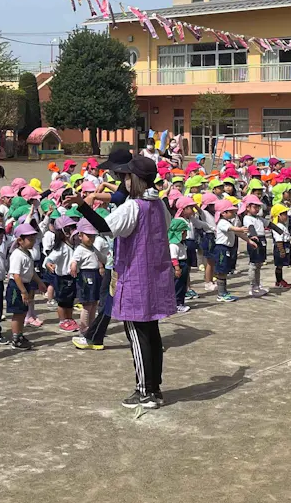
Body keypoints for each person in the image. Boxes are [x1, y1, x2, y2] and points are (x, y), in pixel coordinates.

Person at [70, 153, 176, 411]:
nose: (123, 181)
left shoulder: (133, 206)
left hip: (135, 276)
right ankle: (155, 387)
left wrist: (83, 206)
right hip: (156, 275)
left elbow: (105, 228)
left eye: (127, 176)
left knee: (137, 334)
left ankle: (144, 391)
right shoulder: (160, 205)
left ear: (135, 180)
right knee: (152, 332)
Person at [6, 222, 42, 350]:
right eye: (30, 239)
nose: (32, 241)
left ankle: (20, 335)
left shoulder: (27, 253)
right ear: (20, 240)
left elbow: (31, 272)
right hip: (17, 286)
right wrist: (22, 291)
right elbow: (16, 274)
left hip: (25, 285)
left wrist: (40, 282)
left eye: (33, 238)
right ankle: (16, 338)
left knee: (23, 312)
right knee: (18, 312)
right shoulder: (17, 254)